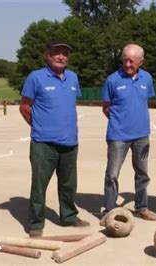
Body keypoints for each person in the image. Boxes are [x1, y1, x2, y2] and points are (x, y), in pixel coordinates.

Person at [19, 40, 90, 238]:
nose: (61, 57)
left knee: (68, 184)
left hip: (70, 142)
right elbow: (25, 107)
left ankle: (68, 216)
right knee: (39, 185)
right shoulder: (36, 77)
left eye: (64, 54)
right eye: (56, 53)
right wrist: (40, 127)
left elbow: (69, 105)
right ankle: (35, 223)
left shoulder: (73, 78)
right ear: (47, 55)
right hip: (44, 143)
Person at [100, 44, 156, 222]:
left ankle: (142, 207)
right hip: (118, 135)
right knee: (112, 174)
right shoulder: (112, 80)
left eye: (131, 61)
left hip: (141, 135)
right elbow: (106, 108)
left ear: (141, 61)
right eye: (124, 59)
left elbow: (143, 101)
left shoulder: (147, 78)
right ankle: (110, 210)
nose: (127, 64)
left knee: (142, 173)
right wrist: (121, 122)